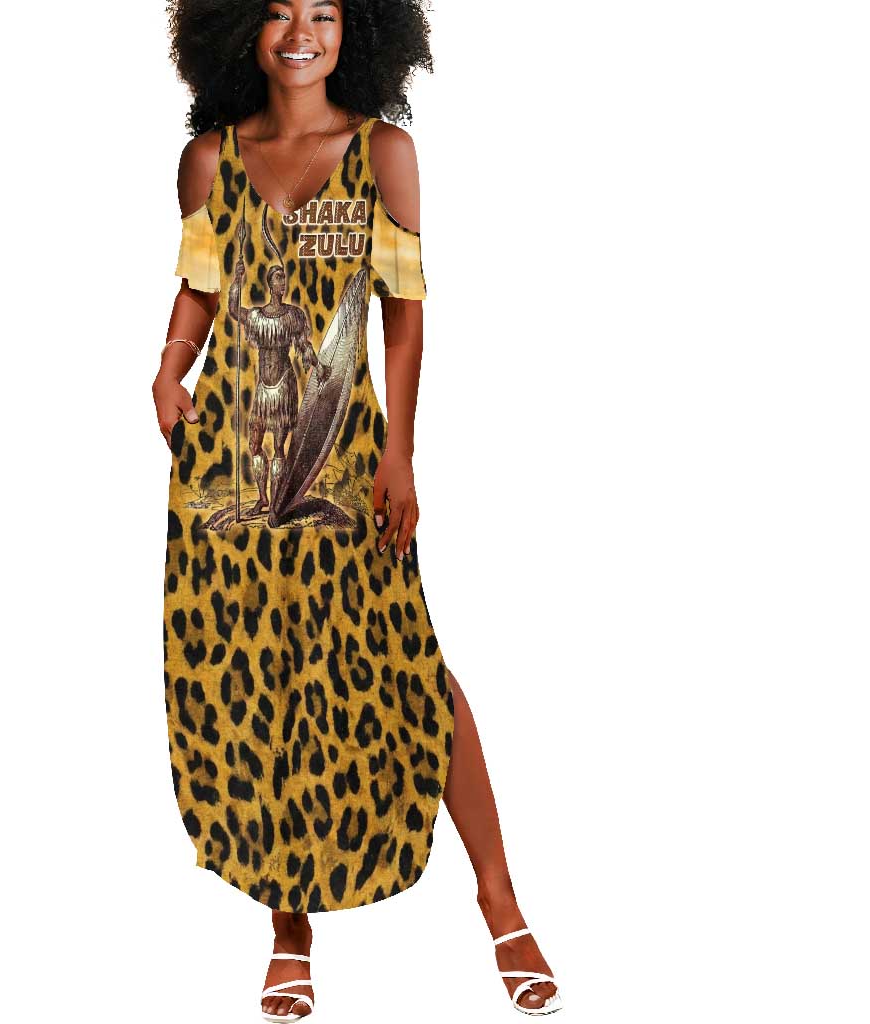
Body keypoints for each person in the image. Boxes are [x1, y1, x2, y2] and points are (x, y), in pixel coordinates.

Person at [154, 1, 563, 1018]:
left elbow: (405, 313)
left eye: (325, 11)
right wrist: (167, 367)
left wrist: (399, 453)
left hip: (345, 461)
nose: (301, 32)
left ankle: (501, 901)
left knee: (409, 663)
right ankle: (288, 929)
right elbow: (200, 284)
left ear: (358, 29)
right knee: (259, 676)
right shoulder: (209, 159)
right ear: (238, 29)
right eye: (277, 11)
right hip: (229, 469)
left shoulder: (383, 152)